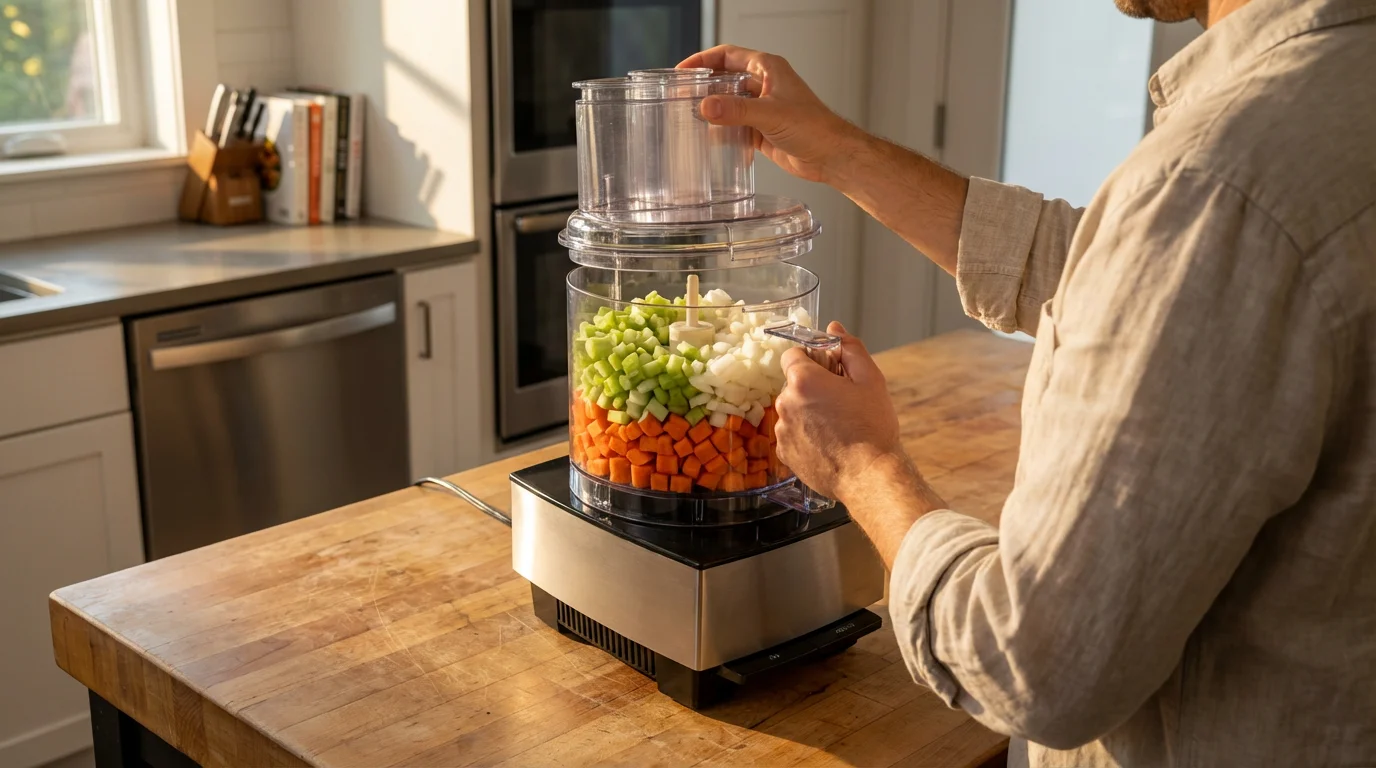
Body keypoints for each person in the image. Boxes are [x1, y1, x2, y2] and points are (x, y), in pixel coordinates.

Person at [680, 0, 1376, 765]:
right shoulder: (1337, 91)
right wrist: (838, 151)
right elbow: (1118, 273)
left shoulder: (1216, 182)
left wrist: (861, 466)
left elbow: (1037, 663)